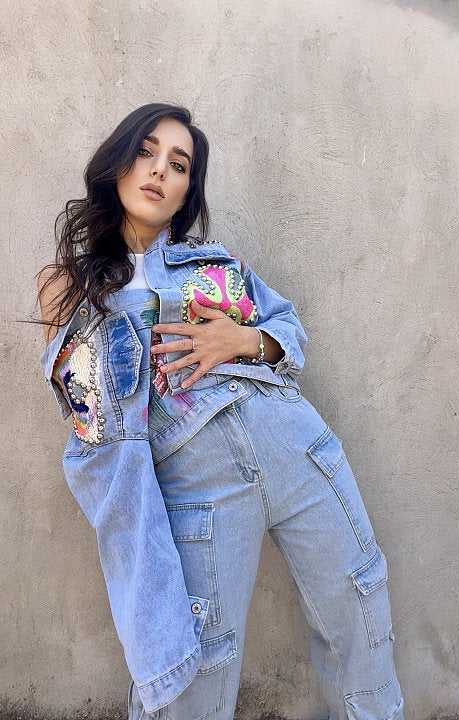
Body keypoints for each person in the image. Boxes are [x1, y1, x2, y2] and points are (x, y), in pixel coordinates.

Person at [36, 103, 404, 720]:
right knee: (194, 670)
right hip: (197, 485)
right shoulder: (70, 284)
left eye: (178, 164)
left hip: (297, 449)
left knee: (359, 610)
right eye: (146, 152)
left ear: (187, 192)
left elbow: (289, 331)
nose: (159, 170)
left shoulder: (217, 266)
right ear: (117, 164)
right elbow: (95, 430)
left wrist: (244, 339)